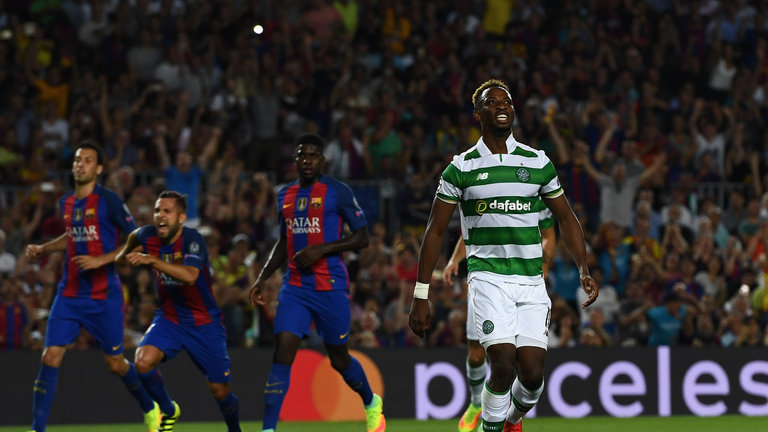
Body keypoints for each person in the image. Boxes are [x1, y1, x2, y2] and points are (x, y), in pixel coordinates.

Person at [409, 80, 598, 432]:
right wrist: (421, 293)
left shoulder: (537, 162)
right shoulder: (460, 168)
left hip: (530, 281)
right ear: (478, 113)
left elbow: (566, 218)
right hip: (488, 277)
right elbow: (435, 231)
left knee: (532, 377)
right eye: (491, 101)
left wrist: (583, 267)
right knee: (502, 362)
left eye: (507, 101)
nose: (501, 105)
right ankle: (488, 427)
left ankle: (512, 421)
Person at [248, 133, 386, 432]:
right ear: (295, 160)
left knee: (339, 359)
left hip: (330, 285)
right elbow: (284, 240)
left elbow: (362, 237)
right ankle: (268, 429)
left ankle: (370, 401)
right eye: (301, 154)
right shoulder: (284, 194)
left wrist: (321, 249)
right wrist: (262, 277)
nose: (307, 160)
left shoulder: (338, 191)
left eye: (313, 155)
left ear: (323, 160)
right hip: (295, 286)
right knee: (283, 350)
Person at [24, 142, 160, 432]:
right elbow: (72, 237)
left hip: (103, 297)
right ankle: (37, 429)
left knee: (116, 364)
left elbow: (134, 238)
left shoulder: (109, 201)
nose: (80, 164)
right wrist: (44, 248)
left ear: (98, 169)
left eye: (88, 160)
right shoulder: (66, 203)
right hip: (69, 294)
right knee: (50, 357)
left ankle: (150, 406)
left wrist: (101, 260)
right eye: (77, 160)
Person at [116, 191, 242, 432]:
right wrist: (125, 257)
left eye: (167, 211)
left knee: (220, 391)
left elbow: (190, 276)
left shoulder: (193, 240)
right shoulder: (145, 236)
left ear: (181, 217)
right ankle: (169, 409)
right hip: (170, 318)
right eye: (157, 211)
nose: (160, 216)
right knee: (142, 363)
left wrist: (150, 260)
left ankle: (235, 430)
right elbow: (126, 252)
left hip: (204, 322)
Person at [444, 201, 555, 432]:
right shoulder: (482, 188)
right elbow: (474, 235)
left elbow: (549, 233)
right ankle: (476, 405)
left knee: (518, 359)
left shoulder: (532, 192)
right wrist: (455, 260)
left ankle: (510, 417)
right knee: (476, 355)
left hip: (523, 282)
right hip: (486, 281)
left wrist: (544, 263)